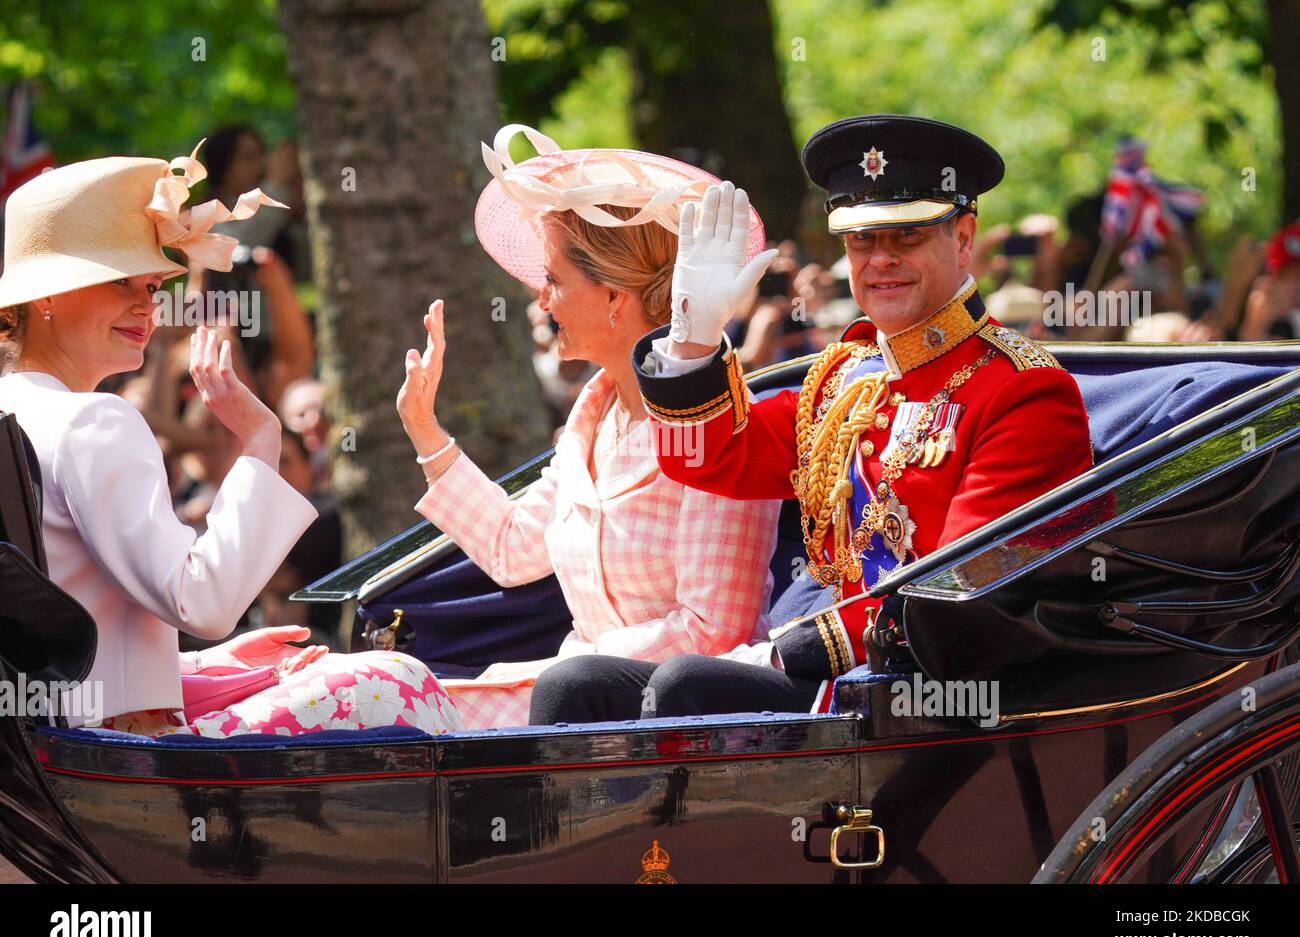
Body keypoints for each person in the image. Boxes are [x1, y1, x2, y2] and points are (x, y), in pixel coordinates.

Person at [533, 114, 1094, 719]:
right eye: (861, 241)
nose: (880, 261)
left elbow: (957, 594)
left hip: (936, 689)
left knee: (685, 690)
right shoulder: (844, 378)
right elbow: (711, 460)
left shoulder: (1023, 389)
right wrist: (693, 336)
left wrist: (788, 650)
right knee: (575, 686)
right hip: (846, 676)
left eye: (905, 237)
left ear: (962, 238)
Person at [0, 146, 461, 737]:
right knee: (399, 680)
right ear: (48, 295)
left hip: (49, 755)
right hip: (117, 764)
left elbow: (72, 624)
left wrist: (201, 664)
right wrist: (262, 436)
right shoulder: (94, 421)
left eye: (152, 282)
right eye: (121, 283)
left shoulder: (23, 412)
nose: (147, 304)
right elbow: (205, 603)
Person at [396, 124, 783, 729]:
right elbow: (512, 547)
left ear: (613, 298)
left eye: (553, 280)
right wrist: (425, 430)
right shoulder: (593, 415)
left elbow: (714, 630)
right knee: (369, 688)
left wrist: (569, 666)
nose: (542, 301)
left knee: (384, 706)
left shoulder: (717, 422)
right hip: (570, 699)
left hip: (672, 722)